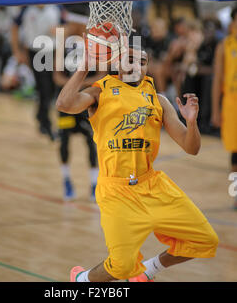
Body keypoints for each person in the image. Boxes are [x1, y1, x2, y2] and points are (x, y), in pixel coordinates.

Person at [56, 36, 218, 282]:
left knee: (205, 240)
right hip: (116, 191)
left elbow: (191, 147)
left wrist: (192, 122)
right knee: (120, 267)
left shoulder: (159, 99)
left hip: (152, 185)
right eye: (129, 59)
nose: (135, 65)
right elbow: (64, 104)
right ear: (118, 63)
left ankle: (148, 271)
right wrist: (83, 68)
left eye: (141, 61)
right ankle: (81, 280)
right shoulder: (101, 90)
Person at [53, 11, 101, 201]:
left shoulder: (96, 45)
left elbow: (101, 76)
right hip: (68, 103)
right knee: (64, 141)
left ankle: (94, 184)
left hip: (86, 101)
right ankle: (66, 181)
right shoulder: (61, 44)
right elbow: (56, 77)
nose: (70, 24)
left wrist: (75, 86)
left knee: (91, 142)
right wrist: (73, 87)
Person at [11, 4, 61, 140]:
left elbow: (66, 27)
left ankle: (41, 116)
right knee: (44, 88)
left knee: (51, 88)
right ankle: (46, 124)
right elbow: (14, 27)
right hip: (35, 52)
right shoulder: (27, 8)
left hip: (53, 51)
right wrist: (17, 51)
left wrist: (60, 31)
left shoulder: (56, 7)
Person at [211, 5, 237, 209]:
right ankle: (236, 195)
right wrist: (215, 111)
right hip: (231, 106)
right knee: (235, 154)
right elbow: (217, 79)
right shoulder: (224, 46)